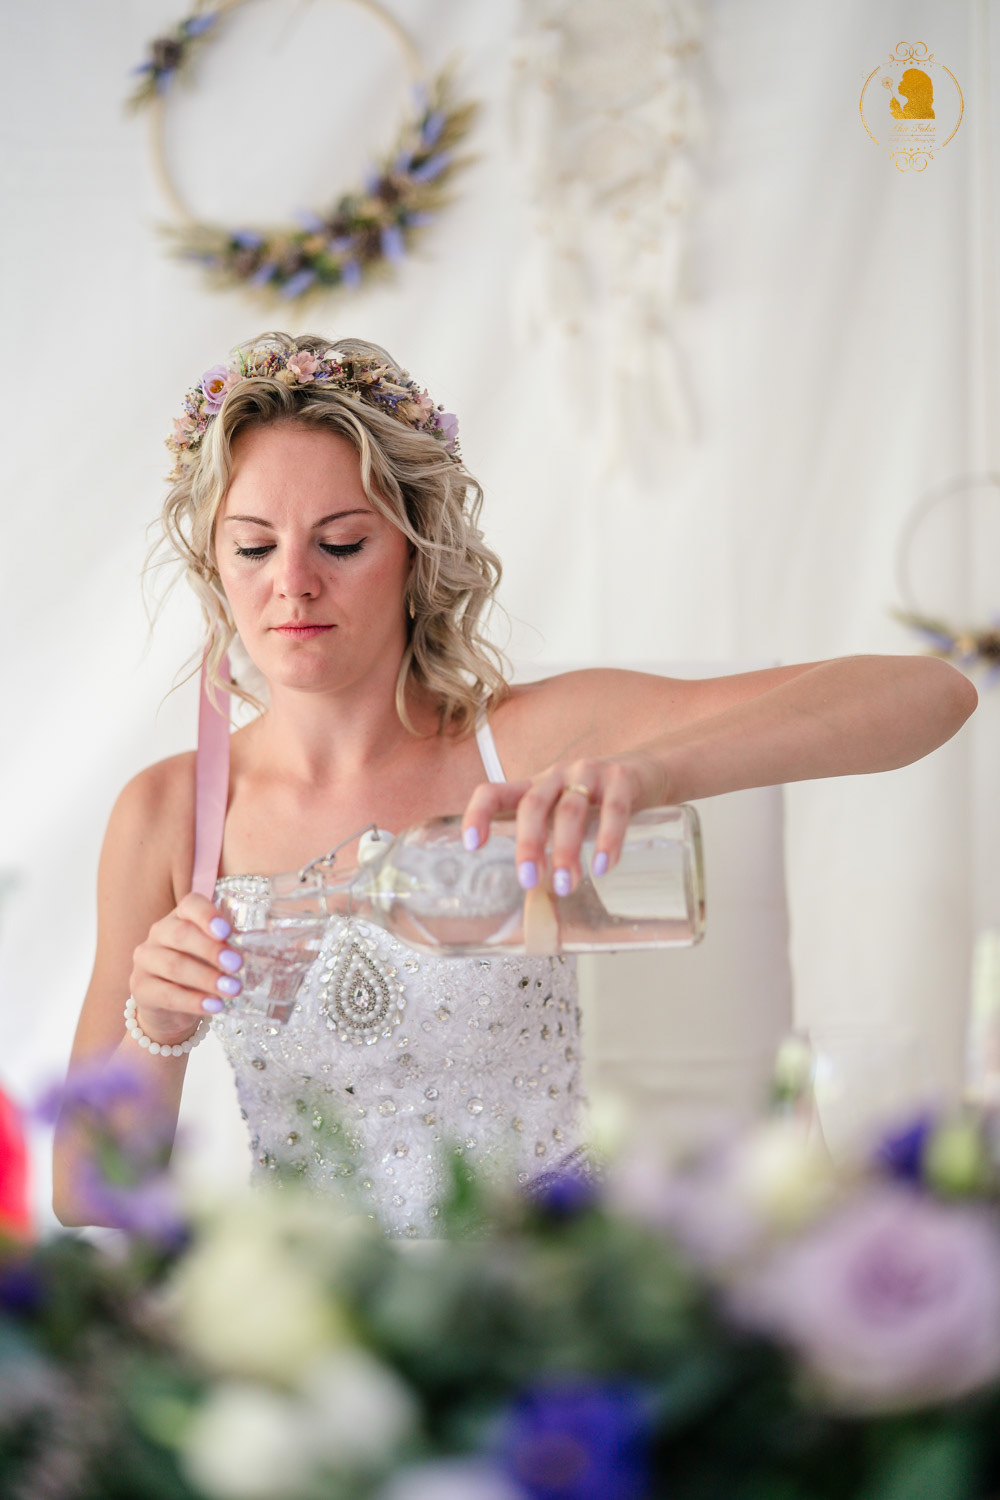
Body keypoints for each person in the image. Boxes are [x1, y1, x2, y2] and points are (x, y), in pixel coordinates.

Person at [53, 331, 977, 1236]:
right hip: (315, 1306)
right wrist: (158, 1025)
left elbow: (931, 694)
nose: (292, 585)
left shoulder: (526, 743)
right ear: (216, 565)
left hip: (548, 1283)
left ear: (414, 551)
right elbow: (83, 1195)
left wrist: (655, 770)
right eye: (255, 548)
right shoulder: (171, 813)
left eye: (340, 543)